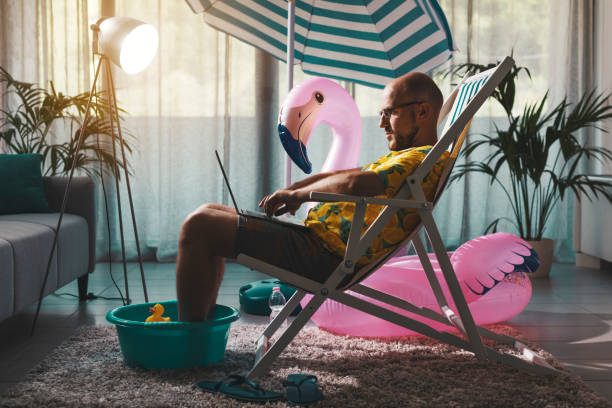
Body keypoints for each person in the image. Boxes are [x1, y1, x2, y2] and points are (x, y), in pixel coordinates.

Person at [176, 72, 449, 321]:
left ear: (422, 111)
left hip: (325, 258)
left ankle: (190, 340)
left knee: (199, 225)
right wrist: (294, 189)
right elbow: (350, 172)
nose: (381, 123)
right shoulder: (406, 158)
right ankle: (199, 328)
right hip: (317, 244)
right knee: (211, 211)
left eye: (389, 112)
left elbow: (355, 182)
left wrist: (301, 195)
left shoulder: (420, 159)